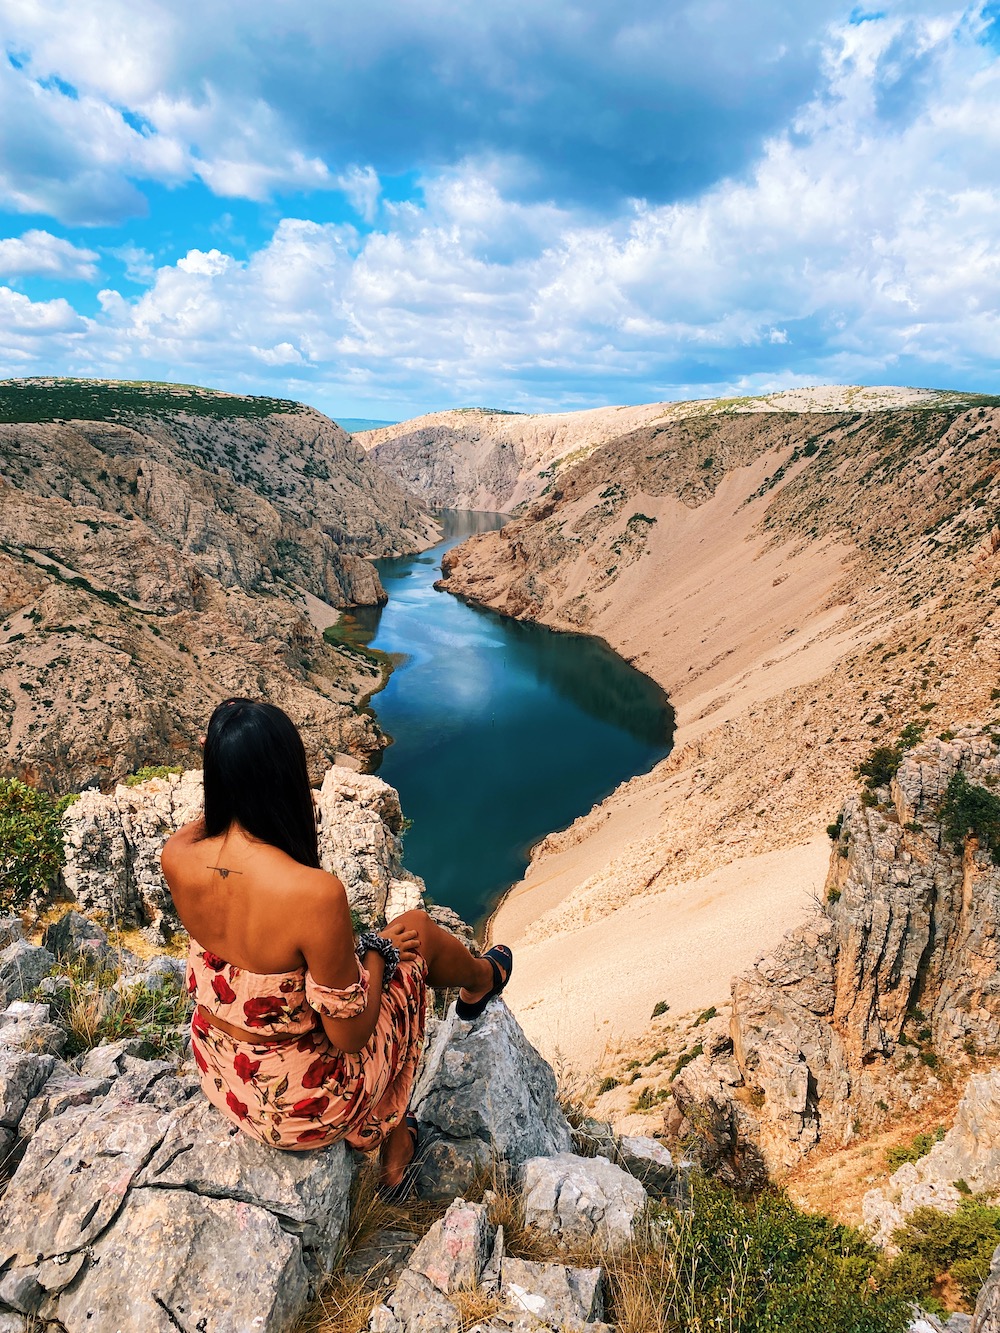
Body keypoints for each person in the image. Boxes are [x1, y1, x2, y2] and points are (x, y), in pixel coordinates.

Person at [160, 697, 512, 1192]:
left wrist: (221, 766)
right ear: (286, 778)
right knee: (416, 933)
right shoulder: (311, 894)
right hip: (304, 1108)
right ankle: (482, 981)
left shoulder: (177, 855)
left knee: (399, 943)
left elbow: (216, 820)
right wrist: (378, 951)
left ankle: (395, 1133)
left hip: (225, 1074)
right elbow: (349, 1037)